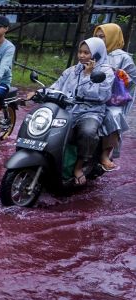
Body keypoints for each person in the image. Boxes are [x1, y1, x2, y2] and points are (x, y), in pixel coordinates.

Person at [43, 37, 114, 186]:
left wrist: (88, 75)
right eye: (80, 52)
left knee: (88, 131)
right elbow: (57, 85)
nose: (81, 56)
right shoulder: (73, 70)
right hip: (69, 109)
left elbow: (101, 96)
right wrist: (40, 92)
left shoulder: (106, 72)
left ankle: (79, 166)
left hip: (91, 111)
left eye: (86, 53)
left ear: (97, 54)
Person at [93, 23, 136, 171]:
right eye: (96, 37)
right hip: (91, 93)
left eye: (102, 36)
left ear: (112, 37)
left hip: (113, 99)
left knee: (113, 116)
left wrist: (118, 73)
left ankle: (105, 154)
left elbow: (132, 81)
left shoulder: (124, 58)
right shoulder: (93, 52)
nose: (99, 40)